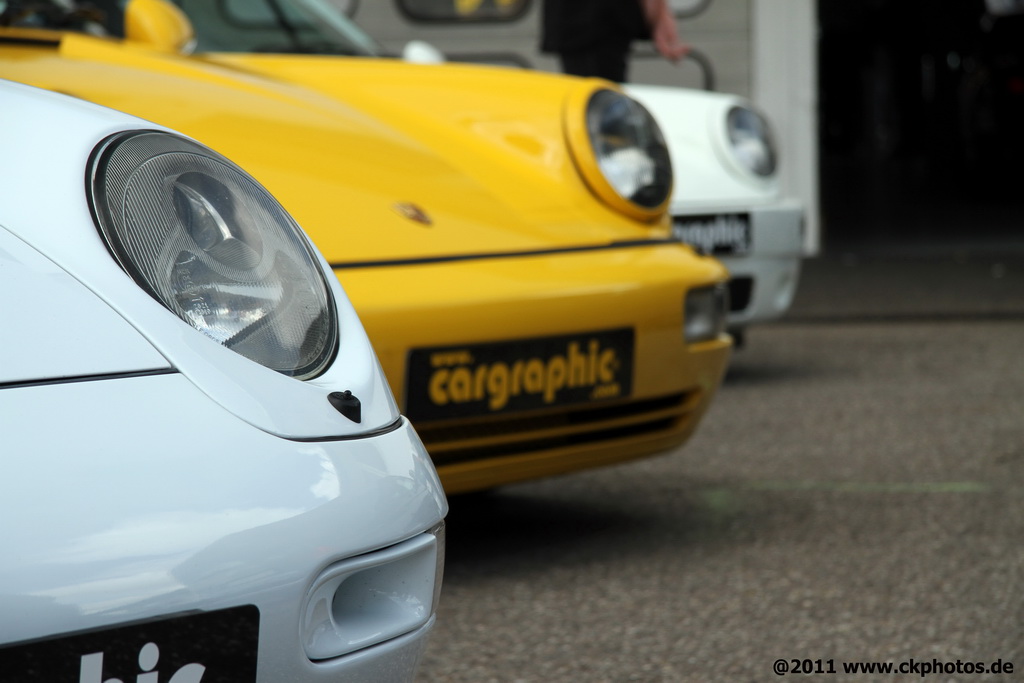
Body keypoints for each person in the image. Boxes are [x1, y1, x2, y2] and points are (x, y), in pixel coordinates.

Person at [540, 0, 689, 82]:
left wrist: (660, 16)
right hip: (599, 20)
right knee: (600, 107)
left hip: (590, 19)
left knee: (594, 106)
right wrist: (660, 16)